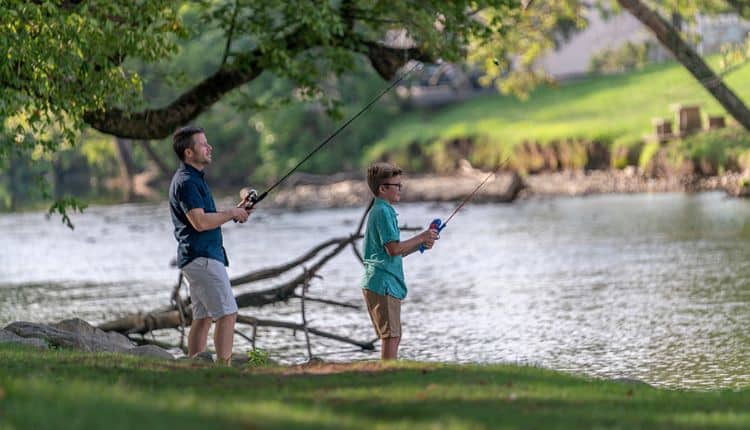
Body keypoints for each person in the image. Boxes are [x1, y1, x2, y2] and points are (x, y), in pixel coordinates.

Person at [168, 126, 251, 364]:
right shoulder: (186, 182)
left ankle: (195, 363)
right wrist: (231, 212)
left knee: (202, 318)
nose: (209, 147)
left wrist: (237, 210)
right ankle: (223, 369)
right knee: (227, 313)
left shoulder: (193, 180)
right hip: (202, 258)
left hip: (198, 257)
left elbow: (208, 218)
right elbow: (200, 222)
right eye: (203, 144)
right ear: (189, 153)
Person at [361, 162, 438, 360]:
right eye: (397, 186)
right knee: (391, 336)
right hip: (383, 283)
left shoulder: (381, 211)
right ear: (383, 188)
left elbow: (394, 252)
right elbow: (394, 248)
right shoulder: (383, 212)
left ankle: (388, 373)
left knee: (394, 335)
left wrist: (418, 246)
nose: (400, 189)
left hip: (384, 281)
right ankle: (387, 375)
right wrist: (421, 237)